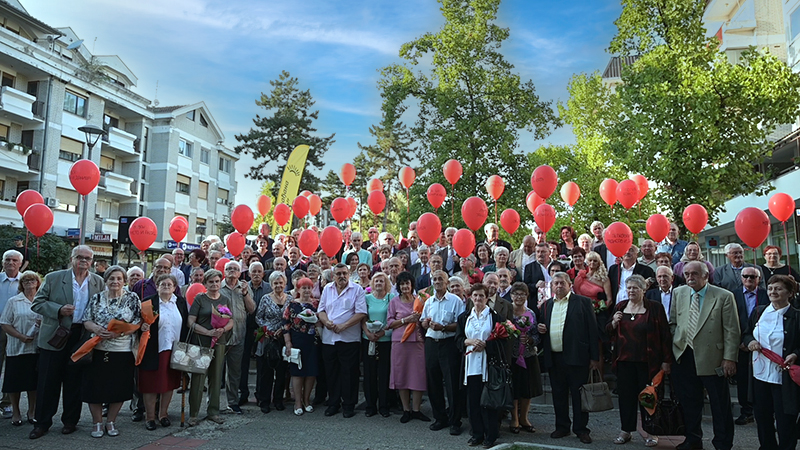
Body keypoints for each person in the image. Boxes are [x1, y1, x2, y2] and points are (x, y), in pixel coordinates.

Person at [30, 245, 104, 439]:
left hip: (81, 336)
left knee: (75, 382)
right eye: (80, 257)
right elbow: (37, 303)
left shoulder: (97, 281)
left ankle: (70, 421)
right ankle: (42, 423)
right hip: (55, 335)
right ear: (72, 258)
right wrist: (59, 309)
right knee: (48, 381)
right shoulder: (55, 278)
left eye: (88, 258)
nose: (84, 261)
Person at [669, 261, 740, 450]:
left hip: (713, 358)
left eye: (694, 274)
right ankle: (693, 440)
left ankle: (723, 443)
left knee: (719, 405)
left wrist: (729, 358)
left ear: (706, 276)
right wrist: (676, 346)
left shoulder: (723, 296)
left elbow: (732, 330)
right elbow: (673, 323)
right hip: (684, 355)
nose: (690, 277)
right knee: (689, 403)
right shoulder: (679, 293)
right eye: (686, 274)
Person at [607, 275, 672, 447]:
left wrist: (666, 361)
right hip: (624, 362)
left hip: (648, 363)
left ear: (644, 290)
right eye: (629, 288)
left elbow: (665, 335)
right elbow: (608, 331)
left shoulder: (655, 308)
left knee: (649, 398)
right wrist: (613, 322)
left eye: (635, 288)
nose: (631, 291)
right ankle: (625, 431)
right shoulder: (621, 307)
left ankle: (651, 431)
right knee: (626, 398)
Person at [81, 265, 143, 438]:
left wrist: (120, 332)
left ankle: (111, 421)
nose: (115, 281)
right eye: (112, 278)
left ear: (124, 281)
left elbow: (138, 321)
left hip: (122, 350)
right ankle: (97, 423)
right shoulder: (97, 298)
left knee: (119, 388)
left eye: (119, 279)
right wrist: (97, 329)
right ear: (106, 280)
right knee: (95, 388)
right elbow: (86, 319)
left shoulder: (132, 298)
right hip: (98, 348)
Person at [537, 272, 599, 444]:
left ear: (569, 284)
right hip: (555, 358)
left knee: (578, 395)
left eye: (562, 283)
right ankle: (562, 426)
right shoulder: (547, 305)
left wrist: (595, 358)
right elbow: (543, 329)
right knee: (558, 394)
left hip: (577, 357)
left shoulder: (583, 302)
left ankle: (581, 429)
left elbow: (593, 331)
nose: (558, 286)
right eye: (555, 283)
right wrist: (541, 329)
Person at [743, 275, 800, 450]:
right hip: (760, 374)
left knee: (785, 420)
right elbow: (746, 334)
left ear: (790, 293)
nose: (773, 292)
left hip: (783, 377)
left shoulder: (796, 317)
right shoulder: (759, 311)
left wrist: (795, 354)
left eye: (778, 288)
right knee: (762, 418)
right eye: (770, 288)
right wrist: (750, 341)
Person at [455, 283, 510, 448]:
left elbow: (503, 341)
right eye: (475, 295)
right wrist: (470, 341)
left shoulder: (495, 317)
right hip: (470, 366)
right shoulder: (464, 317)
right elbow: (458, 340)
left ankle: (491, 435)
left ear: (487, 298)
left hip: (488, 365)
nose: (478, 299)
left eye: (481, 296)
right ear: (471, 297)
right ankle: (477, 434)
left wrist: (486, 344)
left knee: (489, 402)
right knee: (473, 402)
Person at [138, 274, 188, 431]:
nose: (166, 286)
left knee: (169, 384)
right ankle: (150, 417)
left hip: (174, 350)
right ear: (157, 286)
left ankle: (163, 415)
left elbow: (186, 324)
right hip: (154, 350)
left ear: (174, 287)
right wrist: (142, 327)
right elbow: (138, 323)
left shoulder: (180, 302)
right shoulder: (148, 303)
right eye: (163, 284)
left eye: (170, 284)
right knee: (151, 385)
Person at [317, 264, 367, 418]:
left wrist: (344, 325)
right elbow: (321, 310)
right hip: (329, 339)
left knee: (349, 373)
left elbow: (361, 313)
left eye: (344, 273)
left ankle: (349, 405)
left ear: (349, 274)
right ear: (333, 276)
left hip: (349, 339)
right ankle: (333, 403)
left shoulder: (357, 290)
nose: (341, 276)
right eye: (338, 273)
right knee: (332, 373)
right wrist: (326, 322)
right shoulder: (327, 289)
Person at [420, 270, 465, 435]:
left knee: (452, 384)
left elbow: (460, 324)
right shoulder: (429, 301)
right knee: (433, 383)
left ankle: (455, 421)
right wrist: (425, 323)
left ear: (446, 282)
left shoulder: (456, 301)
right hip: (432, 343)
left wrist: (444, 327)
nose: (437, 281)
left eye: (441, 279)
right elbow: (423, 322)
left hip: (448, 344)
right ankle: (439, 418)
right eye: (435, 279)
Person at [186, 269, 233, 426]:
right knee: (198, 378)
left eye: (217, 281)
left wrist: (222, 330)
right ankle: (193, 414)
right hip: (201, 342)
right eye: (211, 281)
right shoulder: (200, 299)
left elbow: (231, 321)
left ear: (221, 283)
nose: (214, 284)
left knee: (216, 376)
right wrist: (207, 331)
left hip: (219, 342)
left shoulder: (225, 299)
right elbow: (191, 321)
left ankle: (213, 411)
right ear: (205, 283)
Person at [387, 271, 429, 423]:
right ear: (398, 286)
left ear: (412, 285)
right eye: (402, 284)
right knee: (402, 375)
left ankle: (417, 410)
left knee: (417, 376)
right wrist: (406, 320)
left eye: (407, 283)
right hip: (400, 343)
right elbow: (389, 323)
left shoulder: (421, 300)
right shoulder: (394, 302)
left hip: (417, 342)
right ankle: (406, 409)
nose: (405, 286)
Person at [0, 270, 41, 426]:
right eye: (25, 281)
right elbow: (4, 323)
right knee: (15, 383)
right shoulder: (14, 301)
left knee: (33, 383)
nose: (29, 284)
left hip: (36, 348)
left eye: (32, 281)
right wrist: (20, 336)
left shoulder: (41, 301)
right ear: (21, 284)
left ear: (38, 283)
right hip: (17, 347)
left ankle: (32, 411)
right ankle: (16, 412)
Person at [732, 266, 769, 426]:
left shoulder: (766, 295)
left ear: (758, 279)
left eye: (752, 277)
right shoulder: (733, 295)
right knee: (742, 379)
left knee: (761, 378)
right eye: (745, 276)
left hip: (762, 344)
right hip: (740, 344)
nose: (748, 279)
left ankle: (765, 413)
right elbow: (730, 320)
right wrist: (741, 341)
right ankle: (746, 412)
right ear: (741, 278)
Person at [220, 261, 255, 414]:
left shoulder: (245, 288)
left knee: (234, 373)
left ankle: (232, 402)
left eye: (235, 269)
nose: (232, 271)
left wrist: (246, 293)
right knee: (215, 373)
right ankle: (212, 404)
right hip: (220, 337)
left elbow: (252, 309)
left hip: (239, 336)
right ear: (224, 271)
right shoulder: (218, 286)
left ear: (240, 273)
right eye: (229, 269)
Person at [255, 270, 291, 413]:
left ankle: (278, 399)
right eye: (275, 283)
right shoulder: (265, 298)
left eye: (280, 283)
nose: (278, 285)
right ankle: (264, 401)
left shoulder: (290, 299)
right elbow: (258, 317)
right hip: (267, 338)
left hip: (283, 338)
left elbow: (291, 318)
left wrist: (282, 330)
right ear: (270, 284)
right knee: (266, 371)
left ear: (285, 284)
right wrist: (268, 330)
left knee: (282, 371)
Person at [508, 282, 541, 435]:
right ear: (511, 295)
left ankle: (524, 418)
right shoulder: (507, 312)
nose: (519, 297)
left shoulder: (531, 313)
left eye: (522, 294)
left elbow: (536, 335)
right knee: (514, 388)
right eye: (516, 294)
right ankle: (514, 418)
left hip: (528, 355)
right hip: (512, 355)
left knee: (527, 388)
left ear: (527, 296)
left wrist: (530, 340)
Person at [282, 277, 319, 416]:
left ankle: (306, 400)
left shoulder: (316, 304)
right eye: (304, 288)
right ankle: (297, 402)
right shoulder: (292, 305)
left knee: (311, 372)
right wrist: (288, 343)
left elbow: (321, 321)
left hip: (313, 341)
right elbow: (285, 324)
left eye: (309, 287)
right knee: (297, 372)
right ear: (298, 289)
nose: (307, 290)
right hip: (297, 341)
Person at [361, 272, 393, 417]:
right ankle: (370, 406)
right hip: (368, 339)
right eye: (376, 281)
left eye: (381, 281)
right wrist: (368, 332)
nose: (379, 283)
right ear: (372, 283)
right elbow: (363, 317)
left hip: (385, 339)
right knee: (369, 374)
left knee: (384, 373)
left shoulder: (391, 298)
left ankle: (384, 405)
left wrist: (382, 333)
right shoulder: (366, 298)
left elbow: (393, 318)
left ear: (386, 283)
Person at [0, 248, 22, 418]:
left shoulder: (27, 281)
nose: (11, 263)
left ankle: (7, 403)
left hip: (16, 330)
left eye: (14, 260)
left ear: (20, 263)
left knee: (12, 367)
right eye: (8, 260)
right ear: (3, 262)